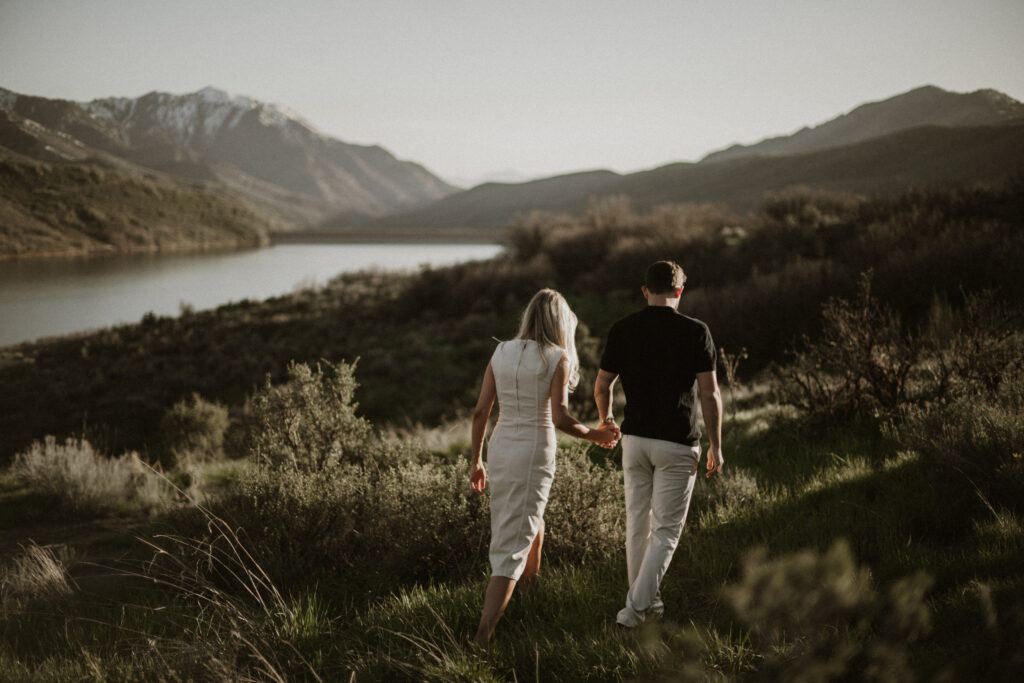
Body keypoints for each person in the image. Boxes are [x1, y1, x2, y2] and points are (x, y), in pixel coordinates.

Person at [468, 288, 619, 645]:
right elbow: (561, 417)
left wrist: (476, 460)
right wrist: (596, 437)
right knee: (513, 543)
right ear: (560, 321)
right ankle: (481, 638)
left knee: (532, 522)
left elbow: (480, 412)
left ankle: (528, 599)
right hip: (534, 450)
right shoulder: (557, 357)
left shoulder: (501, 350)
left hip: (501, 447)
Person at [594, 260, 724, 628]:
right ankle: (633, 612)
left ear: (645, 290)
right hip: (678, 444)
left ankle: (648, 606)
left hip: (634, 441)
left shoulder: (623, 329)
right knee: (665, 531)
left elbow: (602, 385)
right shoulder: (697, 331)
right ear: (679, 291)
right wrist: (716, 445)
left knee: (638, 525)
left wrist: (606, 420)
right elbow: (710, 394)